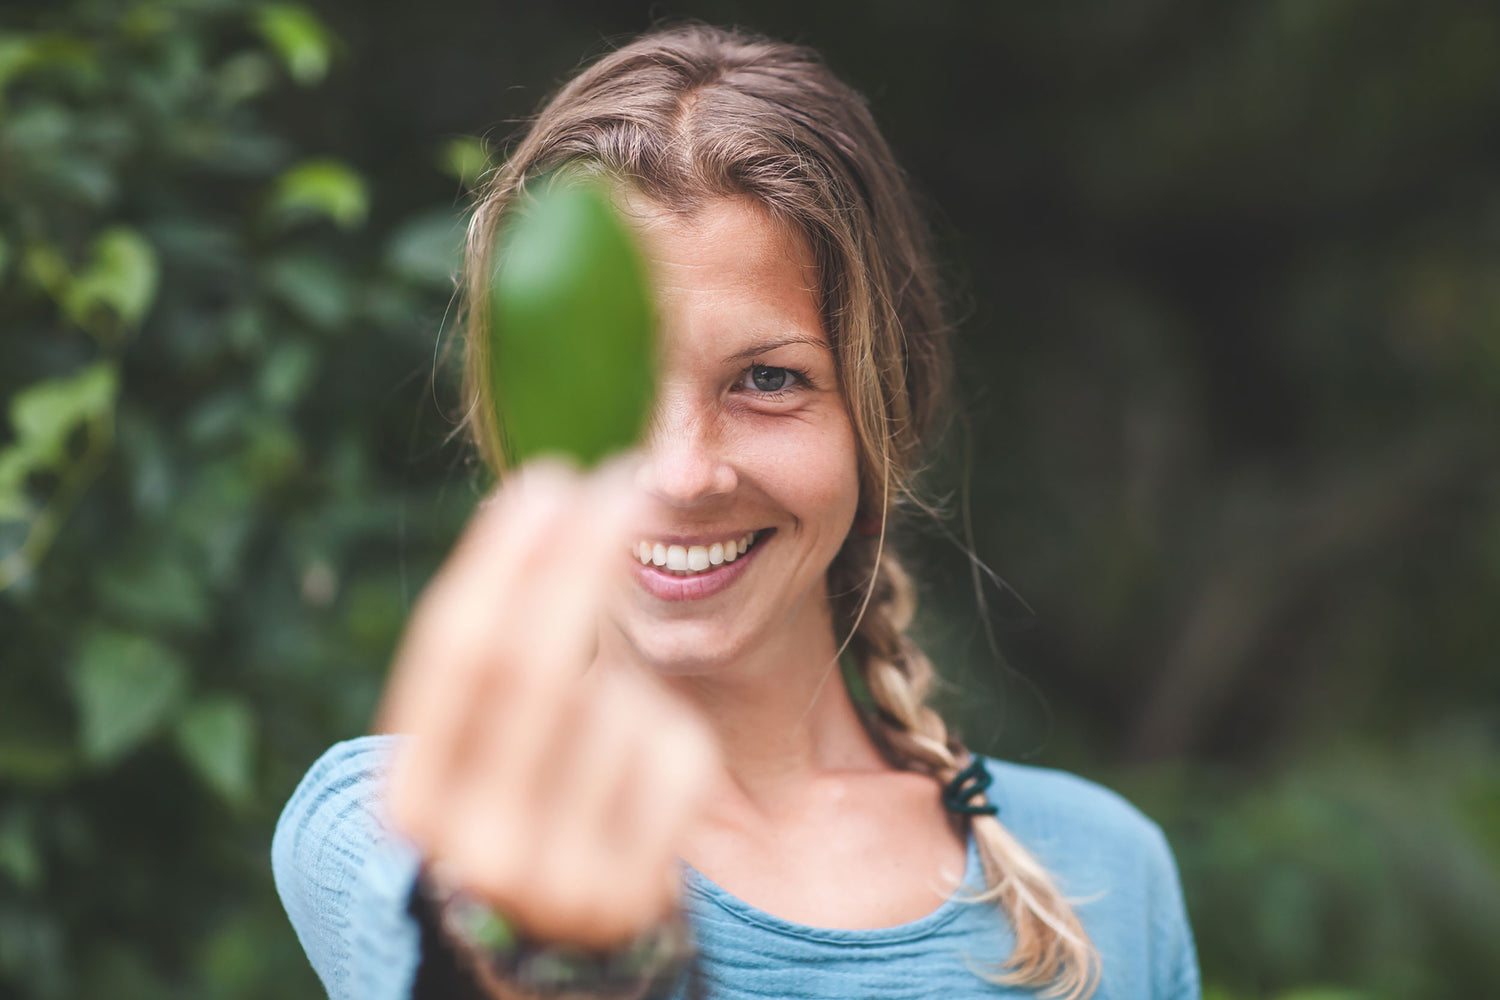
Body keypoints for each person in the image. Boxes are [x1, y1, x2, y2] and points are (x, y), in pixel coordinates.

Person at [271, 22, 1200, 1000]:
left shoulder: (1108, 874)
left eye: (767, 378)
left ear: (882, 418)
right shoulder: (404, 826)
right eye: (616, 382)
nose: (681, 473)